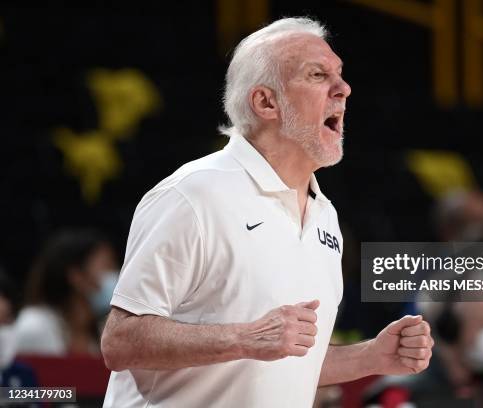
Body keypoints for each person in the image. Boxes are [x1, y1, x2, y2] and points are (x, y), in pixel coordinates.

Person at [101, 17, 434, 407]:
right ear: (265, 102)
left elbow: (280, 361)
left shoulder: (325, 216)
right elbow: (120, 342)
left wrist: (372, 356)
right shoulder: (193, 194)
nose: (344, 89)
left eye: (340, 75)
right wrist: (244, 337)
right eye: (318, 75)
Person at [14, 229, 118, 356]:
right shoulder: (33, 326)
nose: (116, 275)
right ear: (76, 276)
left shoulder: (104, 334)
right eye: (107, 265)